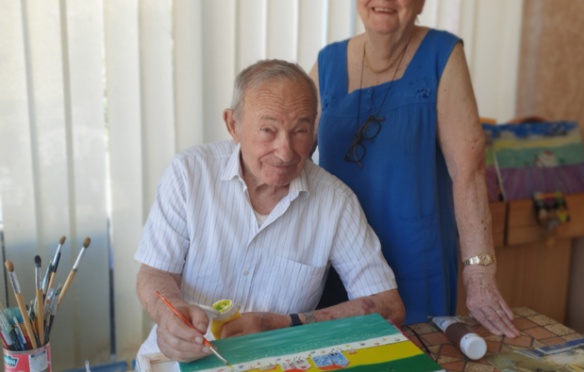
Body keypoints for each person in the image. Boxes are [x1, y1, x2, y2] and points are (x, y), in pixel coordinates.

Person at [134, 59, 405, 364]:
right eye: (268, 130)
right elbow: (154, 272)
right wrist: (169, 316)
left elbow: (388, 306)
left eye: (300, 130)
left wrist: (284, 324)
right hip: (184, 359)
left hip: (278, 362)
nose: (285, 151)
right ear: (233, 125)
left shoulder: (335, 201)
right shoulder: (190, 174)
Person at [310, 0, 519, 337]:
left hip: (416, 263)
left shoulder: (442, 54)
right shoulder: (327, 63)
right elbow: (289, 154)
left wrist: (480, 274)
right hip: (339, 261)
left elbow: (469, 170)